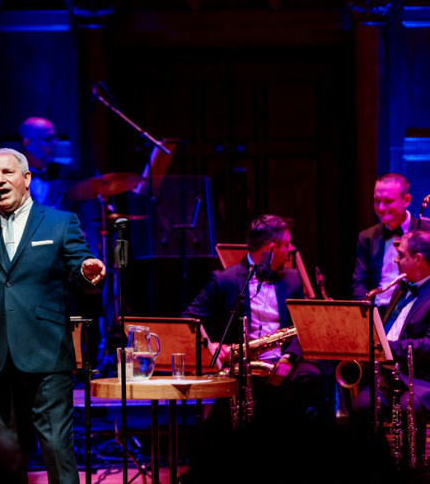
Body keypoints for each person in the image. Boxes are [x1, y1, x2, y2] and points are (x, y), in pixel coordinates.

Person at [0, 148, 106, 484]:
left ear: (26, 178)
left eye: (7, 173)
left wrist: (89, 274)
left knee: (58, 452)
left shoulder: (60, 222)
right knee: (5, 460)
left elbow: (80, 270)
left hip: (46, 355)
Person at [180, 214, 332, 482]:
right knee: (228, 412)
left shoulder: (293, 279)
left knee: (312, 377)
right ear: (271, 248)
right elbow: (187, 319)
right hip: (246, 363)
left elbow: (305, 327)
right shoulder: (225, 279)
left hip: (288, 358)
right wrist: (211, 343)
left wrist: (288, 357)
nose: (291, 250)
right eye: (287, 245)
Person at [350, 229, 430, 473]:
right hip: (389, 376)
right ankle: (383, 469)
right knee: (362, 407)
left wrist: (387, 347)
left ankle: (412, 471)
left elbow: (428, 345)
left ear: (418, 259)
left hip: (422, 378)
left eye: (401, 255)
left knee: (409, 406)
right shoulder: (399, 289)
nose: (395, 260)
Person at [352, 173, 429, 307]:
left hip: (413, 311)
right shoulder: (367, 236)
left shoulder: (426, 232)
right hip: (375, 310)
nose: (381, 208)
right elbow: (359, 281)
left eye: (387, 201)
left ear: (406, 200)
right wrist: (365, 309)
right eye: (377, 201)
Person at [19, 117, 68, 208]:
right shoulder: (9, 177)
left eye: (55, 138)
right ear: (27, 144)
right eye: (47, 139)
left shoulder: (66, 175)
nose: (54, 143)